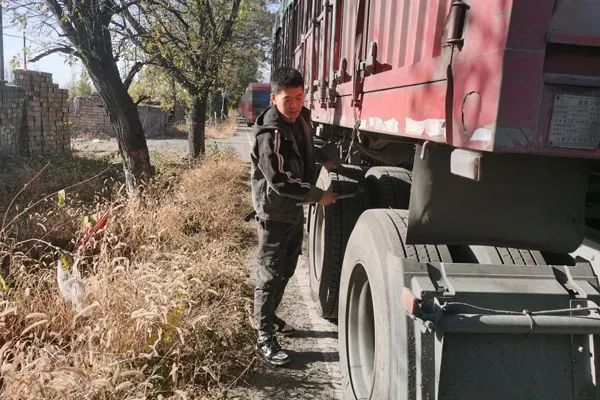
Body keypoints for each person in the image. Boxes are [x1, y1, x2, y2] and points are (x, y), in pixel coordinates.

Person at [250, 66, 339, 366]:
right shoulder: (269, 133)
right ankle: (264, 336)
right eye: (288, 99)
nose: (295, 105)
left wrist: (325, 158)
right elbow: (280, 179)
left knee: (286, 269)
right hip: (275, 212)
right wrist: (318, 195)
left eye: (299, 97)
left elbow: (307, 144)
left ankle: (270, 317)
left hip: (293, 210)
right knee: (270, 273)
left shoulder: (301, 117)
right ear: (274, 98)